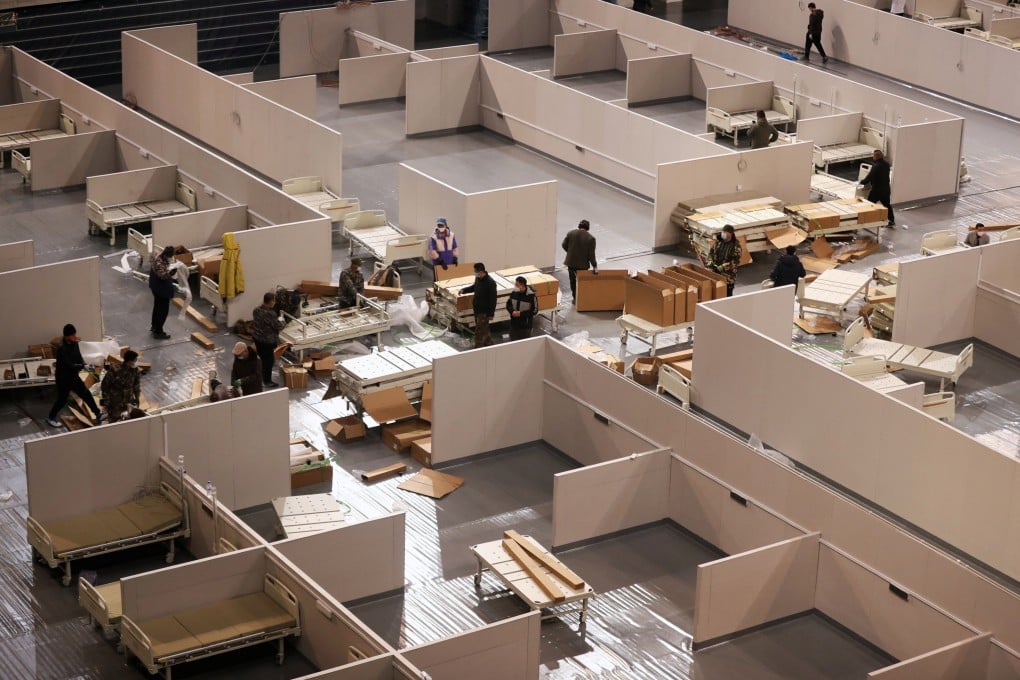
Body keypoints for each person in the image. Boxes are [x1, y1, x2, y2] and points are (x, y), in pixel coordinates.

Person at [46, 324, 103, 427]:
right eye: (72, 335)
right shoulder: (61, 349)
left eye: (74, 334)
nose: (74, 336)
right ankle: (50, 418)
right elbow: (69, 365)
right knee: (62, 399)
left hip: (73, 376)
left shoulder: (74, 344)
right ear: (66, 336)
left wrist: (84, 364)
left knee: (86, 394)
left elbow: (78, 357)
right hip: (63, 378)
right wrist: (83, 367)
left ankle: (98, 414)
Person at [252, 291, 285, 388]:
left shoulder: (256, 310)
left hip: (257, 338)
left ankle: (261, 375)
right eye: (274, 301)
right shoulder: (271, 314)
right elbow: (278, 326)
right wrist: (282, 321)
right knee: (268, 361)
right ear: (270, 301)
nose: (274, 302)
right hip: (267, 342)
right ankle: (267, 381)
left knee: (262, 358)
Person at [461, 262, 497, 348]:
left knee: (479, 331)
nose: (475, 274)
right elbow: (474, 287)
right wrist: (464, 290)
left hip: (484, 311)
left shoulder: (490, 283)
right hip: (477, 309)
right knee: (484, 328)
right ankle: (488, 343)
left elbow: (493, 300)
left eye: (476, 272)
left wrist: (491, 314)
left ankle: (478, 347)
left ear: (481, 271)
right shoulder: (478, 279)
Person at [562, 219, 598, 303]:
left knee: (572, 281)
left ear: (579, 226)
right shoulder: (591, 238)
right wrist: (595, 266)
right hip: (583, 265)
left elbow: (563, 245)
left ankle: (575, 298)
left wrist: (570, 252)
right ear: (588, 228)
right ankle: (581, 298)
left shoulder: (571, 233)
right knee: (581, 281)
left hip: (571, 262)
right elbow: (591, 255)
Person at [101, 350, 141, 423]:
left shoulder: (135, 371)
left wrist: (137, 398)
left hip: (128, 400)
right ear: (129, 361)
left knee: (127, 418)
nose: (136, 362)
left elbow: (136, 386)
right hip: (115, 401)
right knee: (114, 419)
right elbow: (105, 385)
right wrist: (106, 399)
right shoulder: (115, 370)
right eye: (135, 360)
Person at [860, 150, 895, 227]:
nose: (872, 157)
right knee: (887, 205)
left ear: (875, 157)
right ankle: (891, 221)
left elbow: (869, 177)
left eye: (873, 155)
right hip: (886, 189)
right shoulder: (886, 164)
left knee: (869, 204)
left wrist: (861, 182)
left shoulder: (876, 166)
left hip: (877, 190)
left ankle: (867, 220)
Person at [148, 245, 175, 340]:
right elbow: (162, 276)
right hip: (160, 289)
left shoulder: (160, 257)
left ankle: (154, 326)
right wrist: (171, 273)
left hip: (156, 288)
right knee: (163, 310)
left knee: (157, 307)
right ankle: (159, 331)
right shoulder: (159, 263)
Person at [708, 224, 742, 297]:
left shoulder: (736, 246)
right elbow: (711, 252)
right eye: (722, 231)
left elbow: (736, 262)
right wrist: (710, 260)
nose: (723, 233)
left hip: (728, 277)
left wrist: (724, 266)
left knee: (727, 295)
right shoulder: (719, 241)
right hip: (716, 273)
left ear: (730, 233)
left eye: (725, 232)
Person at [506, 276, 538, 341]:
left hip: (525, 327)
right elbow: (508, 304)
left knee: (524, 346)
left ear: (522, 285)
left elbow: (535, 310)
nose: (515, 286)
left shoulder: (531, 296)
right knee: (513, 343)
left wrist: (521, 314)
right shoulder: (514, 293)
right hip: (514, 324)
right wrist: (512, 311)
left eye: (517, 285)